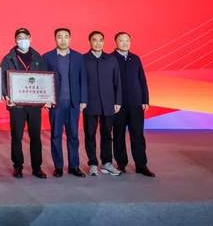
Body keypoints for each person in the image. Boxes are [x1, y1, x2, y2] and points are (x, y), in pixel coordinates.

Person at [1, 28, 48, 179]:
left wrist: (46, 98)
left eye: (25, 37)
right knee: (17, 136)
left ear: (30, 38)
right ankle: (18, 166)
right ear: (15, 40)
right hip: (17, 104)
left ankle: (37, 167)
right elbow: (2, 79)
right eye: (19, 38)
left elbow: (44, 79)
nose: (23, 40)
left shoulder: (37, 57)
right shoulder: (8, 58)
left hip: (34, 104)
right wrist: (6, 95)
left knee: (35, 136)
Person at [43, 28, 88, 178]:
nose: (63, 40)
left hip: (74, 103)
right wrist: (45, 99)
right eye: (59, 37)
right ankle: (58, 167)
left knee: (73, 135)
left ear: (70, 39)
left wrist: (83, 100)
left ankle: (74, 166)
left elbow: (83, 80)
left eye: (66, 37)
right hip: (56, 103)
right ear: (55, 39)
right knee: (56, 134)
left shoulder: (78, 57)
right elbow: (43, 80)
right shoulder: (47, 57)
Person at [112, 32, 155, 177]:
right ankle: (121, 164)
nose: (125, 43)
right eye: (121, 40)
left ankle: (141, 165)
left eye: (127, 40)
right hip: (118, 105)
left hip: (136, 104)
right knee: (118, 135)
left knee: (137, 135)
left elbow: (142, 80)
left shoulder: (135, 59)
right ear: (115, 42)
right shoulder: (111, 59)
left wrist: (145, 99)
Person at [83, 31, 122, 176]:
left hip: (108, 103)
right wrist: (82, 100)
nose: (98, 43)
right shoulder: (83, 59)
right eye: (94, 40)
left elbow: (117, 81)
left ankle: (107, 163)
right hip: (90, 103)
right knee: (90, 134)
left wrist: (118, 101)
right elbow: (80, 82)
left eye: (100, 40)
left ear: (104, 42)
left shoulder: (111, 59)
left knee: (107, 134)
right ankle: (93, 163)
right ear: (89, 42)